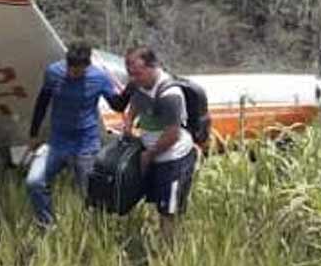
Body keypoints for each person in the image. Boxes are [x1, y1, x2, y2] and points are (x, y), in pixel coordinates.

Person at [26, 42, 132, 227]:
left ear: (87, 65)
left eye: (78, 71)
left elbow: (117, 105)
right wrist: (33, 133)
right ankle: (47, 225)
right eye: (70, 68)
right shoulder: (53, 73)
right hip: (57, 143)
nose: (73, 74)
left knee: (90, 196)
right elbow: (42, 102)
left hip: (85, 145)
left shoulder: (98, 78)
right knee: (35, 181)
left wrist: (131, 88)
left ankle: (93, 234)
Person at [123, 45, 198, 241]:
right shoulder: (139, 85)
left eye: (137, 73)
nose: (134, 79)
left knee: (169, 210)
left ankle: (168, 254)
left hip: (173, 157)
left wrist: (149, 155)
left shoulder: (170, 95)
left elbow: (172, 134)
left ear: (151, 67)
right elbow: (135, 102)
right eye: (130, 74)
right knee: (156, 202)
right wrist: (129, 123)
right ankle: (159, 241)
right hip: (153, 153)